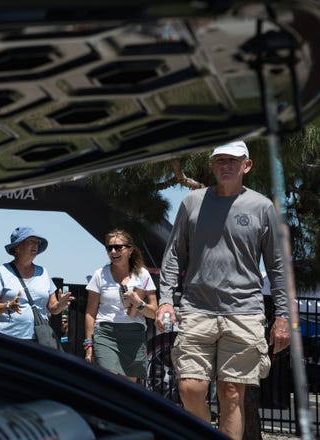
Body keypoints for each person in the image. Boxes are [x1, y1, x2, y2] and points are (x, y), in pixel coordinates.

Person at [156, 140, 291, 440]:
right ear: (213, 165)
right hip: (196, 309)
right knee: (190, 388)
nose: (226, 166)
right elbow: (174, 254)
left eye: (233, 160)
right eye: (220, 161)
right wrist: (165, 300)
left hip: (244, 313)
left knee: (231, 394)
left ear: (247, 165)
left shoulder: (262, 206)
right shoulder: (192, 202)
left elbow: (278, 266)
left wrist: (282, 315)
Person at [84, 229, 157, 382]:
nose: (113, 251)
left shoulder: (143, 275)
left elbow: (154, 313)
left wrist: (138, 303)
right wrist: (88, 343)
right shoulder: (99, 275)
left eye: (118, 247)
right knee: (108, 381)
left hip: (134, 335)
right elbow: (90, 313)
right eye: (109, 248)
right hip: (106, 333)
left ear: (130, 250)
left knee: (128, 388)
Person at [0, 226, 73, 341]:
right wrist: (8, 306)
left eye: (37, 242)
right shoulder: (1, 271)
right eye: (31, 241)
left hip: (37, 339)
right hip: (5, 338)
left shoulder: (43, 272)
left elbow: (52, 308)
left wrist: (60, 305)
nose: (35, 245)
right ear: (17, 247)